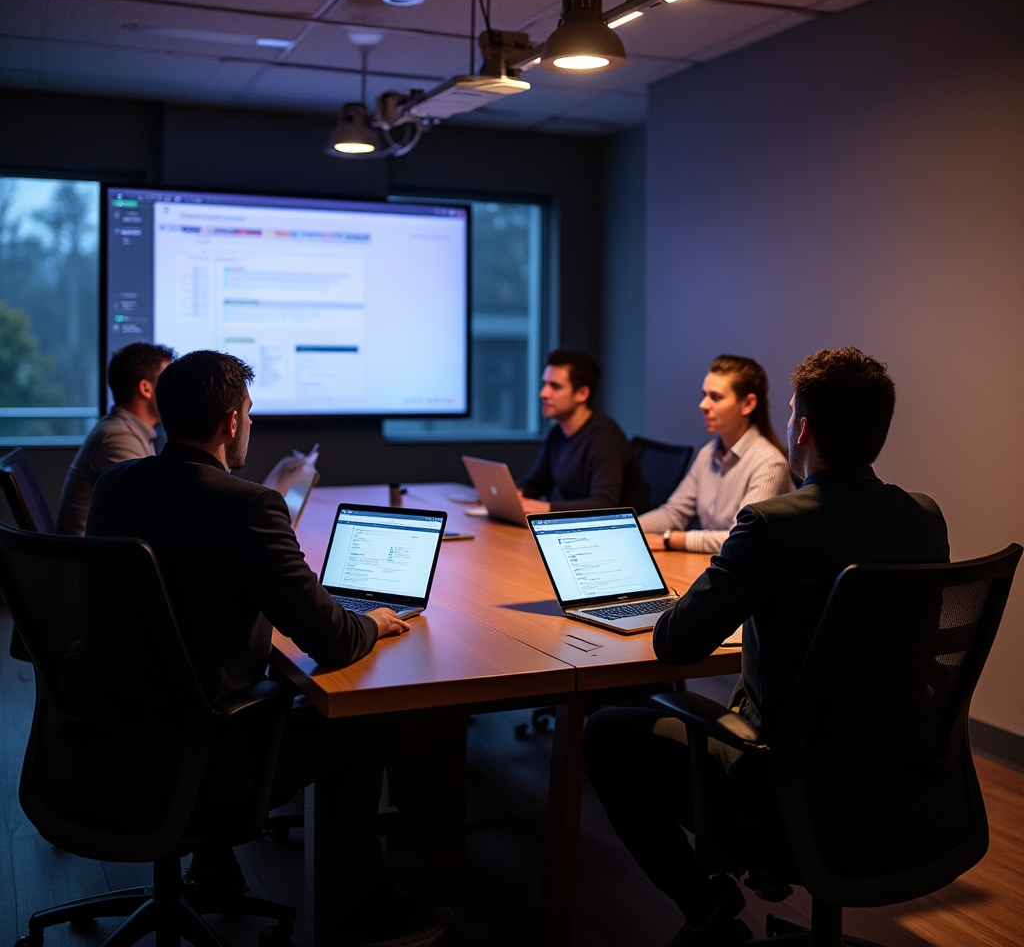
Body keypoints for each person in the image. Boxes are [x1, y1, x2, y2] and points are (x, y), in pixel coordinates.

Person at [582, 347, 949, 947]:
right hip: (901, 775)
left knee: (604, 733)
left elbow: (676, 644)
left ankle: (706, 905)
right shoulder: (925, 518)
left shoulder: (774, 524)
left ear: (800, 428)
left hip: (788, 780)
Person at [87, 350, 452, 947]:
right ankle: (349, 917)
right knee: (357, 726)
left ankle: (213, 863)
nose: (250, 426)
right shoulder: (247, 506)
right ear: (232, 422)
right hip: (201, 750)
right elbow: (331, 640)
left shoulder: (116, 484)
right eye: (250, 414)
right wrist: (376, 622)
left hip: (107, 738)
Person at [640, 355, 793, 555]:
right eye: (705, 395)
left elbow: (741, 536)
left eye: (716, 397)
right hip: (718, 565)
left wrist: (670, 539)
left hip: (753, 576)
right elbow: (675, 513)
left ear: (748, 404)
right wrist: (625, 529)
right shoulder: (707, 453)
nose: (703, 404)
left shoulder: (769, 463)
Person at [56, 342, 174, 535]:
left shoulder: (128, 431)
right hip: (91, 561)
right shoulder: (116, 437)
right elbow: (153, 512)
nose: (175, 391)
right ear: (145, 388)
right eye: (168, 381)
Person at [517, 349, 648, 513]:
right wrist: (517, 495)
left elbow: (605, 503)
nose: (543, 393)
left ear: (582, 394)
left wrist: (547, 508)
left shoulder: (604, 438)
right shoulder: (558, 432)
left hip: (616, 532)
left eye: (555, 386)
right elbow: (537, 482)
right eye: (544, 384)